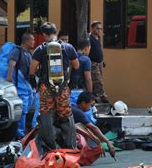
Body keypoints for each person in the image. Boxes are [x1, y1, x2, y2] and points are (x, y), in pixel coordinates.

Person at [29, 22, 79, 150]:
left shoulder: (40, 49)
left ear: (44, 35)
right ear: (56, 33)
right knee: (66, 115)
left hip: (46, 88)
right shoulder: (68, 47)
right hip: (63, 88)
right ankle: (70, 147)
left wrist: (34, 83)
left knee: (46, 115)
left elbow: (32, 69)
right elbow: (76, 65)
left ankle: (51, 147)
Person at [7, 32, 35, 138]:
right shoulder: (17, 51)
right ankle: (20, 134)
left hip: (27, 84)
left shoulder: (28, 53)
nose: (34, 42)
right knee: (22, 109)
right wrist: (9, 78)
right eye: (32, 40)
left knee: (26, 108)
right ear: (27, 41)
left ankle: (21, 131)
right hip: (20, 84)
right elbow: (11, 64)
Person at [72, 92, 115, 158]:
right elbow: (93, 128)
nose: (90, 108)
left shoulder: (74, 108)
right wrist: (107, 142)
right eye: (90, 105)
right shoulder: (79, 113)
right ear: (83, 103)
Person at [89, 21, 109, 103]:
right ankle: (102, 97)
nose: (99, 30)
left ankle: (95, 97)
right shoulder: (89, 38)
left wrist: (102, 60)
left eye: (100, 28)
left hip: (99, 63)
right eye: (97, 28)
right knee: (98, 81)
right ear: (92, 28)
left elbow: (99, 49)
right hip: (93, 63)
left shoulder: (99, 38)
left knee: (98, 80)